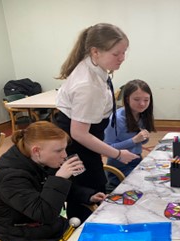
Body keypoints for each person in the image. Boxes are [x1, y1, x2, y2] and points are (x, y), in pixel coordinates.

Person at [55, 23, 139, 220]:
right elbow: (79, 133)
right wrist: (117, 154)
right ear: (95, 52)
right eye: (116, 54)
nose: (122, 58)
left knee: (92, 187)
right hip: (77, 145)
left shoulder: (94, 67)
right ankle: (83, 236)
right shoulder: (88, 85)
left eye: (124, 52)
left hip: (84, 142)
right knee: (89, 194)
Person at [104, 79, 155, 189]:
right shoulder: (116, 119)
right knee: (145, 187)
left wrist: (144, 138)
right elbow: (106, 148)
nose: (142, 104)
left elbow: (139, 141)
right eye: (137, 99)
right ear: (127, 99)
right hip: (119, 165)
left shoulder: (141, 115)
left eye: (146, 100)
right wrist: (134, 140)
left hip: (137, 159)